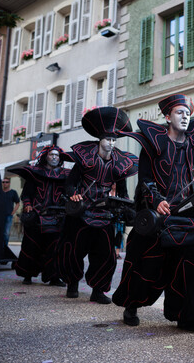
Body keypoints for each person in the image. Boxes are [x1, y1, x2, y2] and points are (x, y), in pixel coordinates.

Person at [112, 94, 194, 333]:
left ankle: (186, 316)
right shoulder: (153, 144)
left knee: (190, 267)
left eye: (187, 113)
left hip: (186, 219)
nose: (184, 117)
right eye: (179, 112)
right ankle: (131, 306)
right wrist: (156, 200)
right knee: (147, 266)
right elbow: (145, 180)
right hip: (157, 219)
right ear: (167, 117)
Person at [57, 107, 138, 304]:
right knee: (74, 250)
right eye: (107, 139)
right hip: (82, 212)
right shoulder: (85, 158)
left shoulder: (119, 162)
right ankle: (72, 284)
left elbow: (123, 192)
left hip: (104, 214)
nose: (111, 143)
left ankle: (98, 290)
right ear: (100, 140)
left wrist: (125, 207)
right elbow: (69, 183)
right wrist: (74, 195)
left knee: (105, 255)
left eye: (113, 140)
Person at [11, 146, 71, 286]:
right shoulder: (35, 173)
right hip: (36, 216)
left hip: (56, 217)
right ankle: (27, 275)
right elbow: (26, 194)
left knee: (55, 248)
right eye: (52, 155)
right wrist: (27, 204)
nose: (55, 157)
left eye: (57, 155)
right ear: (46, 156)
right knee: (31, 246)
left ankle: (54, 277)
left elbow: (69, 192)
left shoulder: (65, 175)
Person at [1, 177, 20, 249]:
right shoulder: (0, 192)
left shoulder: (13, 192)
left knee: (6, 233)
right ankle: (0, 248)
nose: (5, 183)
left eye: (6, 182)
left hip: (8, 215)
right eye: (3, 182)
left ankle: (5, 248)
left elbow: (18, 203)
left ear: (9, 183)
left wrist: (13, 212)